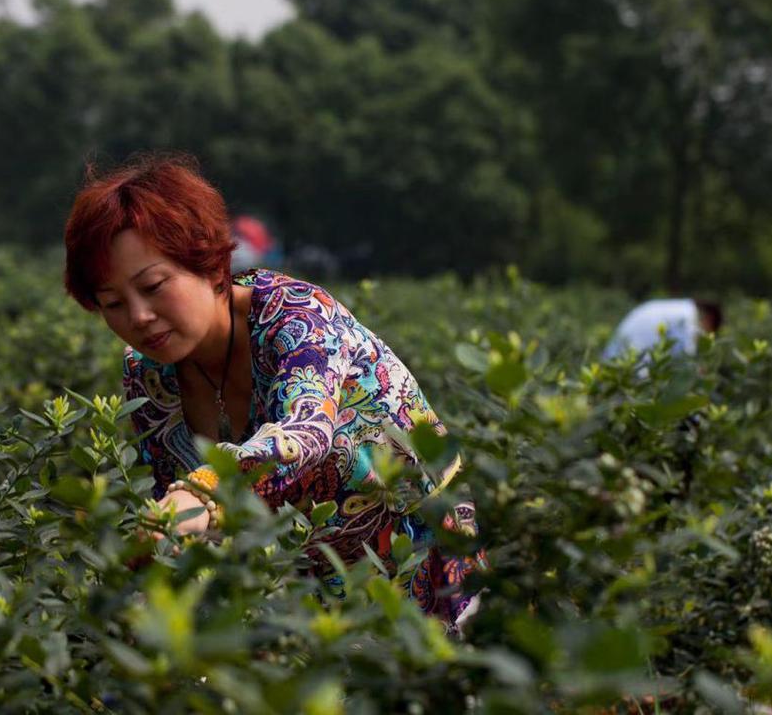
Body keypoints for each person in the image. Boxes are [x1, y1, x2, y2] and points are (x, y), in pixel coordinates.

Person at [62, 155, 482, 628]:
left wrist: (204, 492)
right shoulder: (148, 374)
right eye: (113, 303)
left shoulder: (298, 317)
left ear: (206, 263)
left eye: (154, 286)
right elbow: (175, 516)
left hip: (424, 568)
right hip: (303, 596)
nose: (138, 317)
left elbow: (306, 432)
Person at [602, 298, 723, 362]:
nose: (704, 334)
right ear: (709, 319)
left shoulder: (679, 308)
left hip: (619, 356)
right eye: (709, 330)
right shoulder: (687, 316)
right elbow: (686, 357)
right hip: (631, 361)